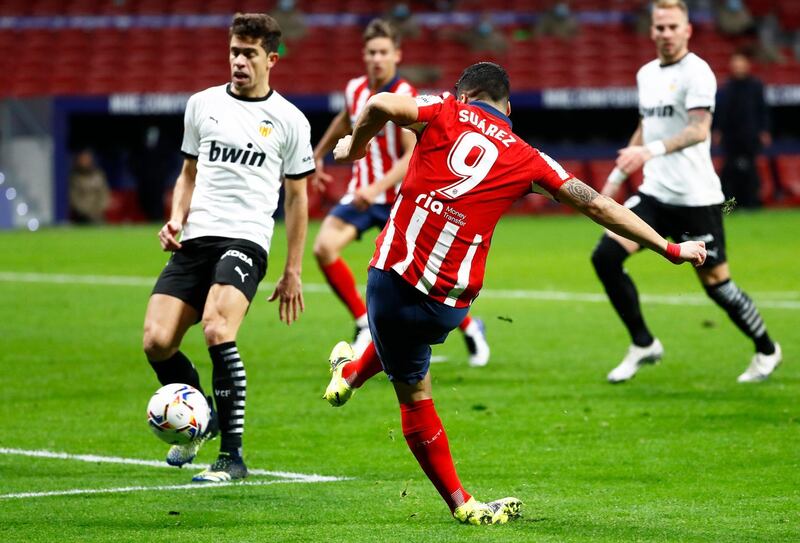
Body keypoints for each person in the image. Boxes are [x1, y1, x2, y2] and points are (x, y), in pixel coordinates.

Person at [325, 61, 707, 524]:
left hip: (391, 280)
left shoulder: (445, 109)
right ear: (508, 108)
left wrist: (355, 148)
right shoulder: (529, 156)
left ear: (464, 95)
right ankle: (347, 377)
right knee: (406, 345)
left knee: (413, 393)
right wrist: (668, 248)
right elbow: (600, 205)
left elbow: (381, 103)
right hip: (450, 303)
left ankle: (460, 503)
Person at [141, 13, 313, 483]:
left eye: (249, 53)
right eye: (234, 51)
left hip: (245, 239)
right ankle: (204, 419)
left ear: (271, 59)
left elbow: (298, 198)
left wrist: (292, 269)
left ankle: (231, 458)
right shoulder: (201, 105)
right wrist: (176, 217)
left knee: (217, 329)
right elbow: (189, 173)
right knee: (157, 342)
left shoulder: (289, 121)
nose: (239, 60)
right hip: (196, 238)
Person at [593, 0, 781, 384]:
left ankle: (766, 349)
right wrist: (615, 176)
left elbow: (699, 130)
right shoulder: (646, 74)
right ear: (652, 31)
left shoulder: (699, 73)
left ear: (687, 30)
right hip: (655, 194)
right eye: (659, 27)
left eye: (672, 27)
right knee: (606, 257)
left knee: (717, 286)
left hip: (697, 198)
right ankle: (643, 343)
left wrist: (651, 151)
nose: (665, 33)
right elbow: (648, 126)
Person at [312, 19, 490, 366]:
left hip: (399, 198)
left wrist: (377, 187)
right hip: (362, 194)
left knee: (420, 279)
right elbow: (346, 118)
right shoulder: (355, 89)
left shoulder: (406, 97)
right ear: (364, 55)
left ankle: (471, 328)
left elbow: (412, 155)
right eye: (371, 52)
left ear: (397, 55)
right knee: (323, 248)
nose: (377, 59)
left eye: (384, 52)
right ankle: (364, 322)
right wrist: (317, 155)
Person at [713, 51, 771, 209]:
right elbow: (721, 112)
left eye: (741, 63)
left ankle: (752, 203)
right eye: (735, 63)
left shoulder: (756, 86)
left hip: (750, 137)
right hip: (731, 138)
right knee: (730, 173)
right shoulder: (726, 87)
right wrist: (717, 130)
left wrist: (764, 130)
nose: (738, 67)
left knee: (751, 172)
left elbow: (762, 110)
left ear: (747, 65)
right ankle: (730, 207)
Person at [69, 148, 110, 224]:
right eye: (82, 159)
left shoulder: (98, 175)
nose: (84, 161)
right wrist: (86, 212)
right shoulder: (74, 177)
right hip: (80, 217)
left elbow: (104, 195)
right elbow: (73, 198)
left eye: (87, 159)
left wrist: (97, 210)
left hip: (98, 215)